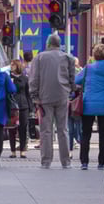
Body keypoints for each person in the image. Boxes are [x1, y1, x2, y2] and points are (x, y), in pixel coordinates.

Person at [30, 34, 75, 169]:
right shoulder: (68, 57)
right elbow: (72, 78)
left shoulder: (39, 58)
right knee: (63, 130)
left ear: (48, 43)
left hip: (44, 98)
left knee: (46, 130)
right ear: (59, 44)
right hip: (62, 96)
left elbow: (34, 79)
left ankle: (46, 161)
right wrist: (70, 90)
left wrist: (34, 96)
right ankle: (66, 162)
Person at [75, 44, 104, 171]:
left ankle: (84, 162)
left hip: (88, 105)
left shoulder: (88, 69)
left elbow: (77, 80)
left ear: (95, 55)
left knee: (86, 134)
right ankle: (101, 162)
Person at [8, 59, 32, 159]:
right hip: (12, 106)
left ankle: (22, 150)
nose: (11, 67)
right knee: (11, 129)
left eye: (12, 65)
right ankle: (13, 151)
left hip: (23, 105)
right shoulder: (8, 77)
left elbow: (28, 93)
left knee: (23, 128)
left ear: (17, 66)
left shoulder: (25, 78)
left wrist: (31, 107)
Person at [23, 51, 39, 140]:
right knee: (33, 113)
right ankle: (33, 132)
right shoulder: (35, 68)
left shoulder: (23, 69)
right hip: (34, 92)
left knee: (26, 115)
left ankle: (27, 136)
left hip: (25, 93)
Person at [68, 58, 84, 154]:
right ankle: (81, 148)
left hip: (70, 104)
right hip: (77, 105)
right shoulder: (81, 73)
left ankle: (70, 150)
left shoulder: (65, 74)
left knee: (70, 129)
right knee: (78, 128)